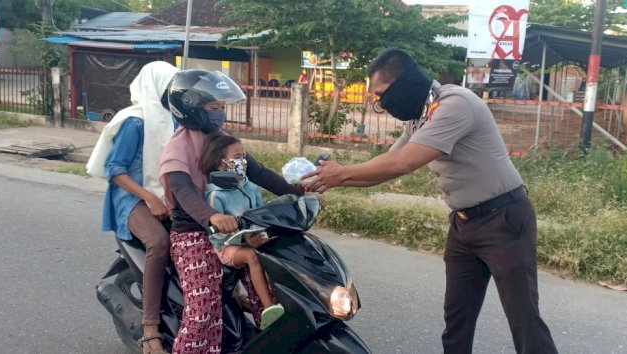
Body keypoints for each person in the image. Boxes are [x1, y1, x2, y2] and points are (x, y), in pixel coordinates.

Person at [302, 48, 558, 354]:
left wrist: (340, 173)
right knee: (456, 320)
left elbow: (404, 163)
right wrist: (325, 180)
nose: (381, 104)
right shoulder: (421, 117)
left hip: (504, 219)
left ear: (404, 84)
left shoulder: (454, 105)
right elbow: (388, 163)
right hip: (464, 225)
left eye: (381, 94)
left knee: (524, 319)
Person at [158, 69, 305, 354]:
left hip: (235, 229)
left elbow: (259, 172)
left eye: (222, 108)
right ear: (191, 109)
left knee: (272, 279)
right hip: (193, 234)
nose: (220, 114)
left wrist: (300, 193)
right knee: (202, 310)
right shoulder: (176, 149)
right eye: (214, 108)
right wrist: (211, 216)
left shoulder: (223, 140)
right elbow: (184, 191)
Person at [86, 61, 178, 354]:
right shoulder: (134, 121)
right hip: (133, 198)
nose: (174, 94)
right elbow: (115, 170)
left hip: (168, 195)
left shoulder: (175, 120)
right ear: (156, 88)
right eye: (170, 88)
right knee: (159, 242)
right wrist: (150, 198)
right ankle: (150, 328)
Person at [201, 134, 285, 330]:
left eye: (244, 157)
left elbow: (260, 214)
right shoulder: (215, 195)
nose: (242, 162)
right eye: (237, 158)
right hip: (226, 247)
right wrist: (244, 238)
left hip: (249, 239)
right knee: (252, 257)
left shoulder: (249, 186)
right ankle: (269, 307)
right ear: (221, 164)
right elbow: (217, 236)